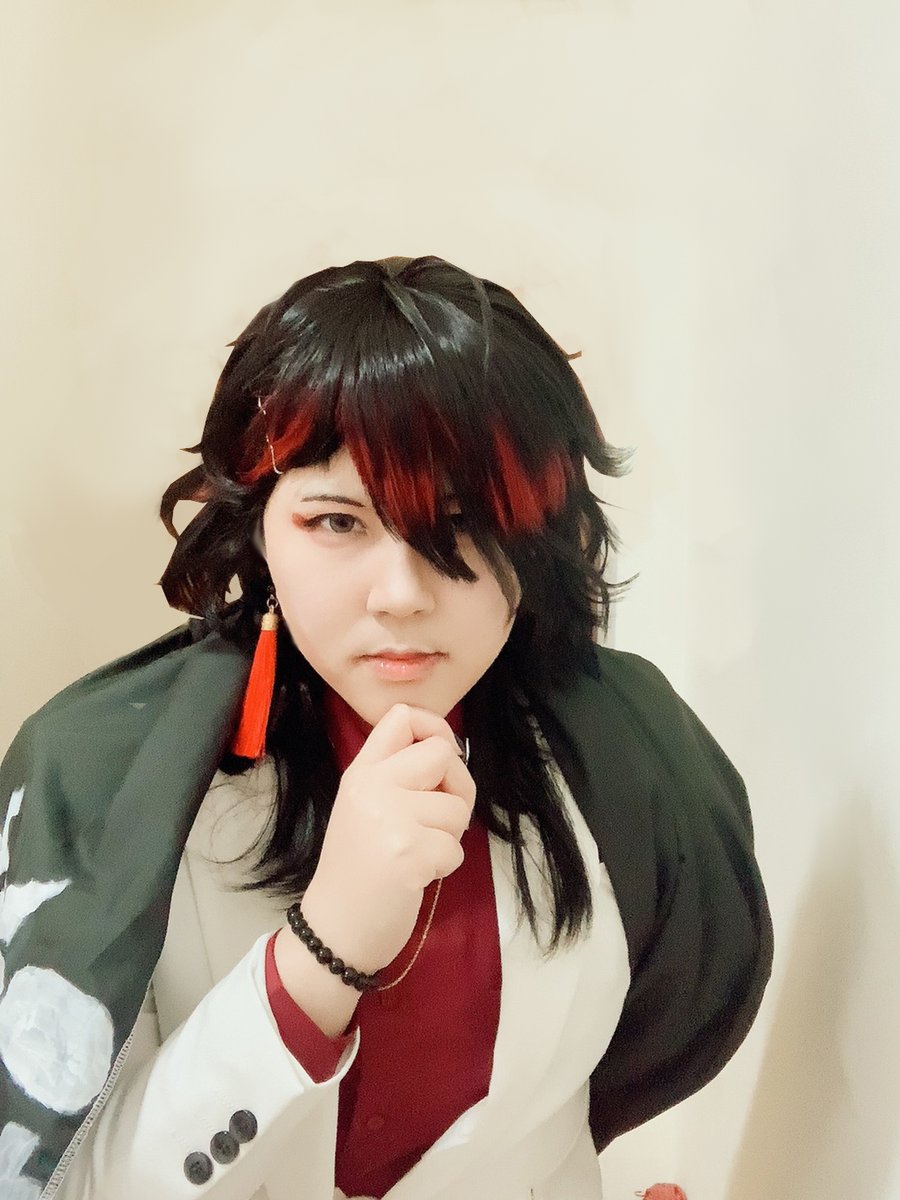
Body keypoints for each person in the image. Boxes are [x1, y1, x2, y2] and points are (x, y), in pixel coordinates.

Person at [0, 255, 773, 1200]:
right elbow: (67, 1179)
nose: (402, 594)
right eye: (337, 522)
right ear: (259, 527)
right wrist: (319, 951)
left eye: (463, 523)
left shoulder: (637, 752)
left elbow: (641, 1049)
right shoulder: (109, 775)